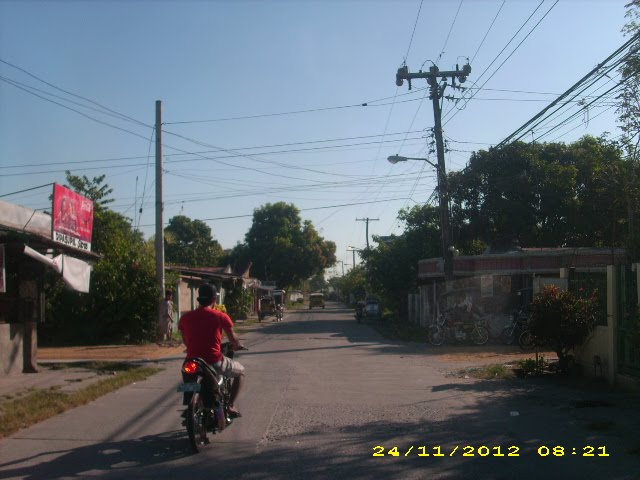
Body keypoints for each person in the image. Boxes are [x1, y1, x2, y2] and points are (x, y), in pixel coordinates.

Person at [178, 283, 245, 417]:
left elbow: (185, 341)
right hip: (214, 361)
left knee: (188, 378)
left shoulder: (185, 318)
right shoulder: (220, 316)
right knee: (241, 372)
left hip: (191, 362)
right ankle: (230, 406)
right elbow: (233, 340)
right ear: (214, 299)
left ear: (198, 299)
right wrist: (237, 345)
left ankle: (189, 405)